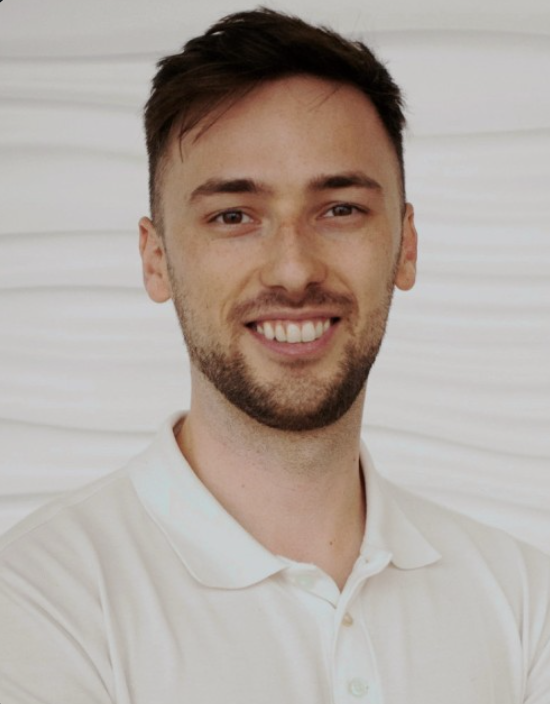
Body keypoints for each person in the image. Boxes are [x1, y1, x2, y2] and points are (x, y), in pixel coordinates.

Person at [1, 8, 549, 703]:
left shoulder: (525, 603)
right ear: (156, 258)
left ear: (406, 245)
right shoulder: (40, 603)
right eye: (234, 216)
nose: (293, 271)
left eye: (340, 208)